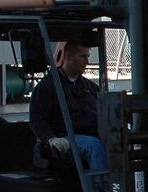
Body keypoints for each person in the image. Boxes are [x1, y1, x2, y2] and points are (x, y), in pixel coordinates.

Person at [29, 40, 108, 173]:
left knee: (118, 144)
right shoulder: (48, 86)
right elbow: (37, 118)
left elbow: (105, 111)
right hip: (65, 138)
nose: (86, 61)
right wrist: (51, 138)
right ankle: (102, 191)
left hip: (92, 134)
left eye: (87, 57)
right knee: (93, 146)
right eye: (82, 56)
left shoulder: (90, 87)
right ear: (68, 57)